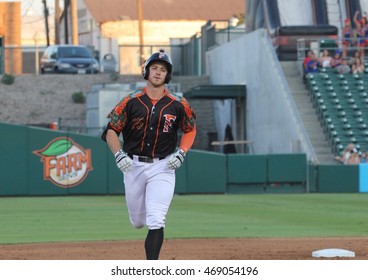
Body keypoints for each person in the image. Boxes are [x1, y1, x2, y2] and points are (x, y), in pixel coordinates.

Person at [101, 49, 197, 260]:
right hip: (133, 165)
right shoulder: (130, 101)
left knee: (156, 219)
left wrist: (182, 152)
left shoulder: (178, 103)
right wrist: (119, 155)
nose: (158, 72)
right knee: (137, 222)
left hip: (163, 166)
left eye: (163, 69)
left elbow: (190, 129)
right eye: (154, 68)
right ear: (146, 71)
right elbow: (111, 131)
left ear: (167, 75)